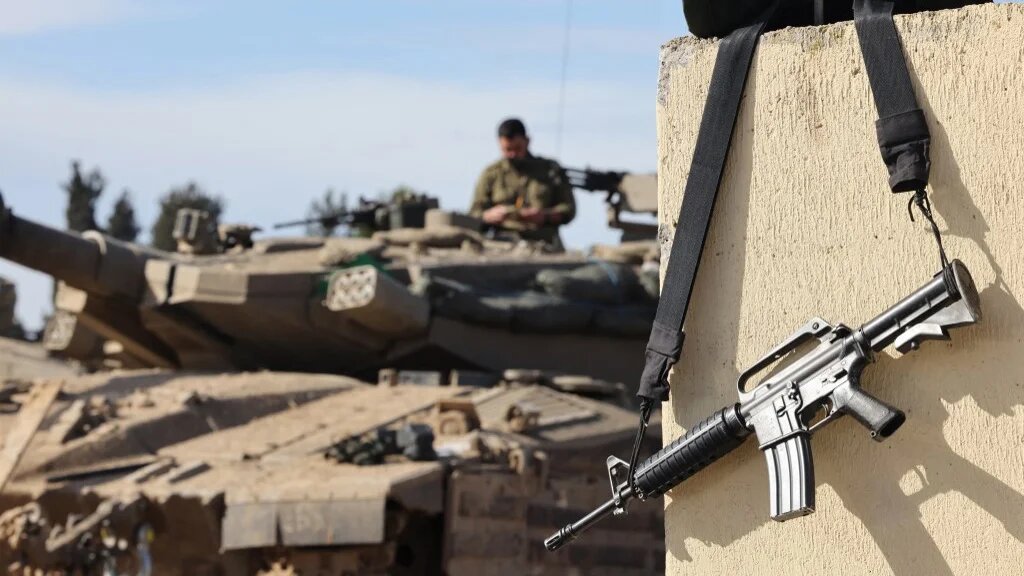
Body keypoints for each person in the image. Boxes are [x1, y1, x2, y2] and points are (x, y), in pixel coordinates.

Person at [470, 118, 575, 246]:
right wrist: (488, 216)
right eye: (507, 150)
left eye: (517, 148)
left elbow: (569, 209)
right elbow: (473, 213)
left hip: (544, 243)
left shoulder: (550, 170)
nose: (513, 154)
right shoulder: (491, 174)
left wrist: (544, 216)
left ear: (527, 141)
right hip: (501, 244)